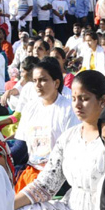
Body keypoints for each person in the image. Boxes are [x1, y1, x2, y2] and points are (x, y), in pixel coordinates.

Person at [12, 70, 105, 210]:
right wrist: (8, 205)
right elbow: (46, 185)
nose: (76, 105)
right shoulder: (69, 137)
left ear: (103, 100)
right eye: (74, 98)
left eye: (84, 99)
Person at [11, 58, 79, 191]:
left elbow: (71, 152)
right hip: (33, 170)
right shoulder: (30, 107)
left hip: (60, 176)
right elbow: (21, 146)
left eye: (43, 80)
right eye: (35, 80)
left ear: (56, 82)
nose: (38, 85)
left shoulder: (68, 109)